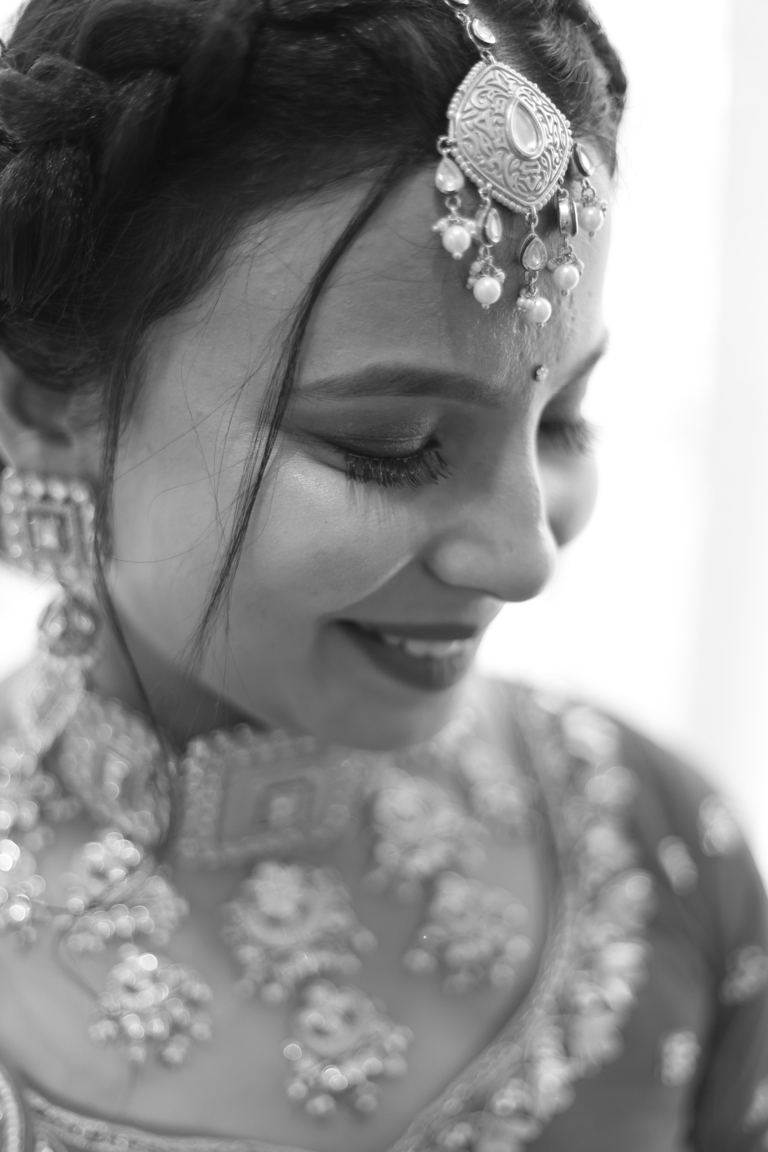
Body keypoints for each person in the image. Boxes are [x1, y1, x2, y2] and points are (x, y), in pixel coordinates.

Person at [0, 0, 765, 1149]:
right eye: (392, 444)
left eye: (564, 421)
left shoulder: (651, 845)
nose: (524, 559)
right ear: (49, 412)